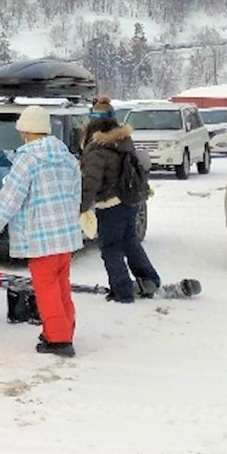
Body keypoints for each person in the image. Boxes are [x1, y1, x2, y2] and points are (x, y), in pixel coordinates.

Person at [0, 105, 83, 358]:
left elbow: (6, 202)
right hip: (65, 237)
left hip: (40, 237)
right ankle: (65, 330)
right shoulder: (66, 157)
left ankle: (58, 339)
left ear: (26, 130)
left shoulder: (28, 159)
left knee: (47, 290)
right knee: (61, 287)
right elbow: (76, 195)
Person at [80, 97, 161, 303]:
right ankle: (149, 279)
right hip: (129, 199)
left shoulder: (97, 148)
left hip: (109, 204)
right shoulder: (123, 140)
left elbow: (91, 182)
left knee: (110, 248)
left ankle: (122, 291)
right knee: (129, 242)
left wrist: (81, 206)